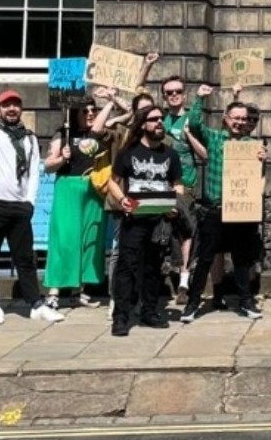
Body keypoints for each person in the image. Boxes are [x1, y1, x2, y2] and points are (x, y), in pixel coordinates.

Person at [0, 60, 64, 326]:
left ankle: (35, 304)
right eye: (7, 104)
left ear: (21, 108)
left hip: (19, 206)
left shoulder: (30, 138)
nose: (12, 108)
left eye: (16, 104)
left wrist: (29, 203)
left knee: (25, 258)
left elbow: (35, 173)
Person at [180, 87, 269, 322]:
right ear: (226, 119)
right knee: (205, 259)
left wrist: (262, 160)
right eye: (235, 118)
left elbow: (259, 176)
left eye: (244, 119)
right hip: (214, 209)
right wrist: (199, 97)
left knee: (241, 259)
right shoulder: (214, 137)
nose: (239, 122)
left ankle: (246, 301)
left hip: (239, 209)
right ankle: (193, 302)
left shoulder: (253, 144)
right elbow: (194, 122)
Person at [110, 105, 183, 336]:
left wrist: (175, 204)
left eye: (162, 119)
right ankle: (121, 316)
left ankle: (149, 311)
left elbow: (177, 184)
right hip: (134, 219)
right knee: (127, 267)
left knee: (153, 268)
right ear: (143, 124)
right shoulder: (128, 152)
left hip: (159, 220)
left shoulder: (170, 154)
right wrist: (121, 199)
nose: (160, 122)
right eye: (154, 119)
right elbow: (112, 181)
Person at [41, 98, 112, 309]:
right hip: (68, 187)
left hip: (93, 188)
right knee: (66, 238)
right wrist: (62, 159)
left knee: (90, 238)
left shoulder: (99, 133)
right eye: (84, 111)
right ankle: (54, 291)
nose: (90, 113)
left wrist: (111, 99)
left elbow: (127, 115)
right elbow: (48, 166)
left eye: (93, 110)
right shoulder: (63, 134)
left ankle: (79, 290)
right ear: (74, 113)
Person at [161, 75, 208, 304]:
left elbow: (205, 155)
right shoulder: (158, 120)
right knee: (162, 232)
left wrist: (189, 134)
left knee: (185, 231)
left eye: (177, 91)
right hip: (159, 185)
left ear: (184, 94)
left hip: (185, 184)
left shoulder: (192, 119)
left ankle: (183, 280)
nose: (173, 95)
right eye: (169, 92)